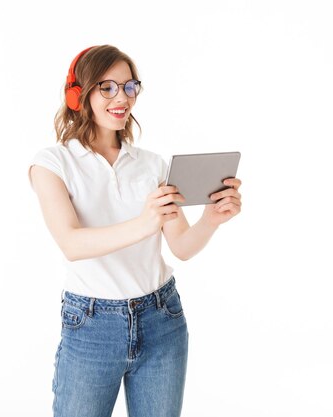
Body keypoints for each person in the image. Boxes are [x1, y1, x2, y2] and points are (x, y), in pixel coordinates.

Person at [27, 45, 242, 417]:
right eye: (107, 87)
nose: (121, 98)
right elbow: (71, 243)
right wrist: (145, 222)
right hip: (92, 326)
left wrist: (211, 218)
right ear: (80, 94)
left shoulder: (152, 165)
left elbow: (181, 247)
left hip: (162, 319)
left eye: (129, 87)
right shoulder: (52, 164)